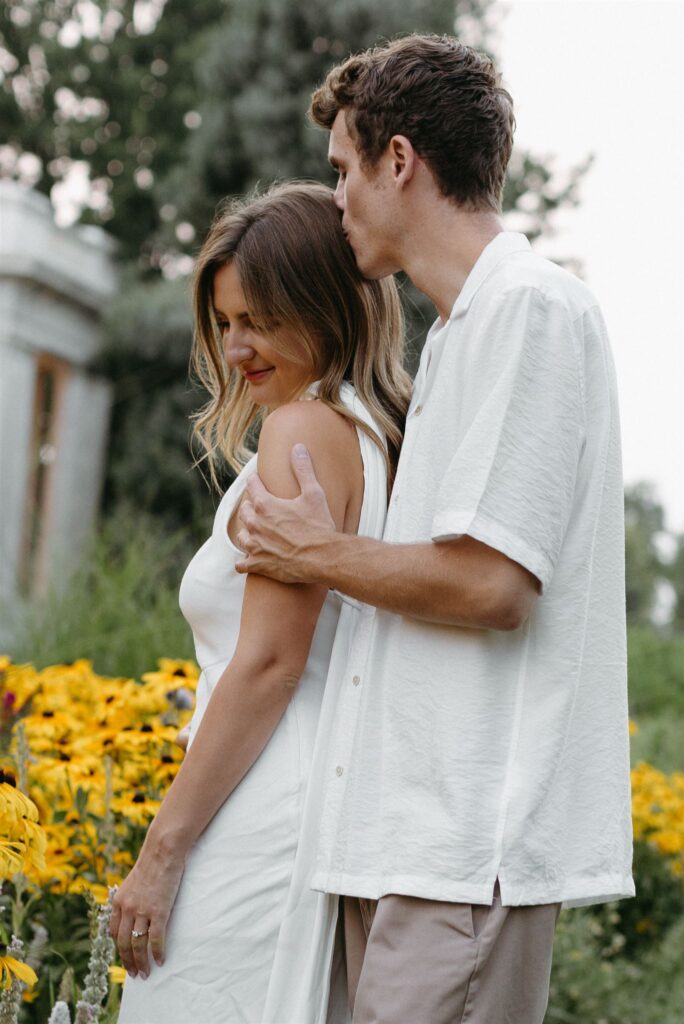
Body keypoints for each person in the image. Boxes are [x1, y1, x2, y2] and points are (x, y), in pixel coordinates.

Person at [235, 35, 634, 1024]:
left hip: (462, 856)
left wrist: (314, 553)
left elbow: (494, 585)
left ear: (400, 160)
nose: (334, 199)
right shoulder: (461, 335)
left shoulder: (531, 310)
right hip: (404, 850)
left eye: (342, 170)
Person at [112, 181, 411, 1024]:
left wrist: (160, 854)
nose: (236, 347)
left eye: (259, 319)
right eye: (226, 322)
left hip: (260, 807)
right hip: (300, 794)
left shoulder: (301, 431)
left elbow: (272, 662)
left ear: (322, 305)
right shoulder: (367, 428)